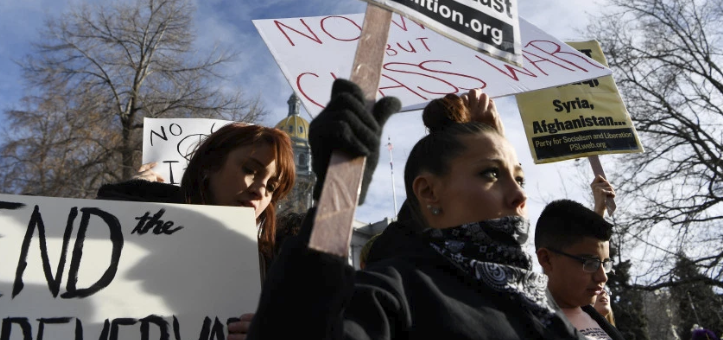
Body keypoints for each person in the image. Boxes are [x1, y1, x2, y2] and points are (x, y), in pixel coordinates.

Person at [246, 83, 593, 340]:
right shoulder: (391, 296)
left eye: (520, 177)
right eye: (491, 174)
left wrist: (493, 140)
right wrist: (335, 199)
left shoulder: (540, 307)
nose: (519, 194)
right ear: (428, 192)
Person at [97, 122, 297, 340]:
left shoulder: (278, 267)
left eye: (271, 187)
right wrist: (138, 191)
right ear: (209, 165)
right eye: (250, 170)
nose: (260, 191)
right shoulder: (126, 231)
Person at [535, 200, 624, 340]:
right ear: (547, 259)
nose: (603, 277)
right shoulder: (526, 326)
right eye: (590, 263)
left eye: (605, 264)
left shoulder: (602, 323)